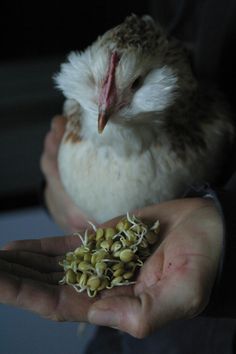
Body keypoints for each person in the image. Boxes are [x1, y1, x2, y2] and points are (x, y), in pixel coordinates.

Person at [1, 0, 236, 353]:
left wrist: (225, 229)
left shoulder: (214, 134)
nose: (103, 110)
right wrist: (56, 196)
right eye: (98, 83)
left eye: (136, 83)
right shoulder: (77, 118)